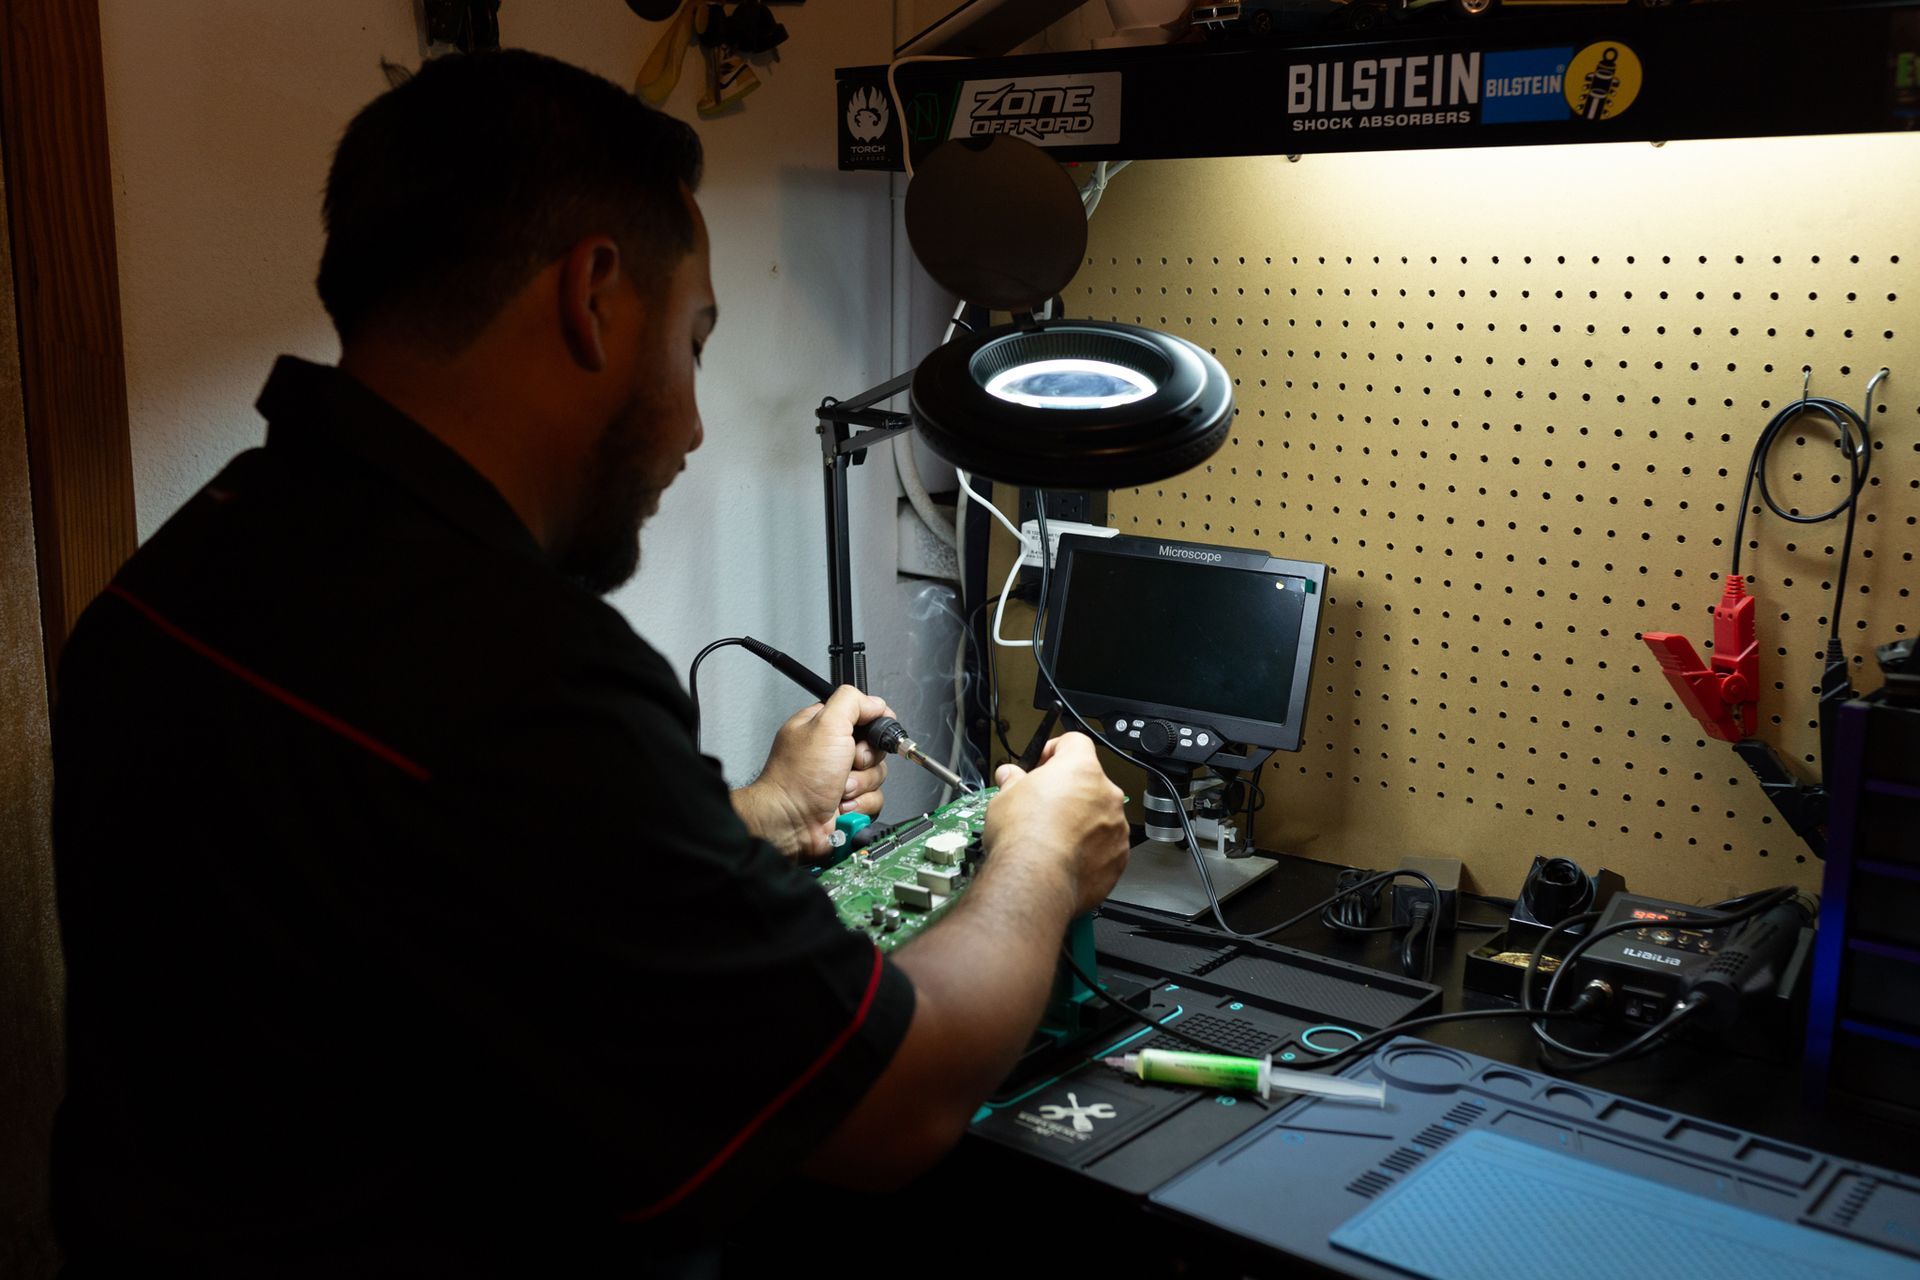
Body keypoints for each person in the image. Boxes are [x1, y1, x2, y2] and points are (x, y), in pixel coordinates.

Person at [49, 49, 1130, 1277]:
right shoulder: (520, 679)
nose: (694, 422)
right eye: (696, 343)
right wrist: (1039, 848)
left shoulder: (181, 579)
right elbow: (891, 1102)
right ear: (596, 297)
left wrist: (758, 814)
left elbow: (442, 896)